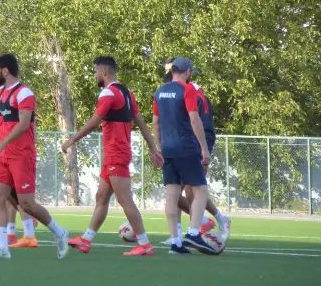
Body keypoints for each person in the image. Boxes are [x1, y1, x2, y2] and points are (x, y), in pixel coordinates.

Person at [0, 54, 68, 260]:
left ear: (4, 71)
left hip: (21, 155)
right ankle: (3, 247)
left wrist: (1, 143)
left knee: (26, 204)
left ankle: (59, 232)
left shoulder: (24, 93)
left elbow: (23, 124)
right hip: (1, 156)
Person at [61, 56, 162, 256]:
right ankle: (86, 240)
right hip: (114, 154)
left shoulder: (108, 93)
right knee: (101, 197)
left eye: (95, 72)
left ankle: (145, 244)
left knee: (125, 201)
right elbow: (141, 122)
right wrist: (153, 149)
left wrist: (72, 140)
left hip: (116, 153)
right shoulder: (126, 92)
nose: (95, 75)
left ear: (104, 72)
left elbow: (94, 121)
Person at [152, 57, 216, 254]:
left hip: (167, 149)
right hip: (186, 147)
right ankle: (194, 233)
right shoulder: (188, 90)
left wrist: (157, 148)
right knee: (200, 190)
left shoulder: (159, 92)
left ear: (172, 71)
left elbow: (155, 123)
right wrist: (204, 149)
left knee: (171, 195)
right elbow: (195, 119)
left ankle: (175, 243)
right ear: (188, 72)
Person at [180, 75, 231, 242]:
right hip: (186, 143)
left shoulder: (195, 95)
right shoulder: (180, 91)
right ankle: (201, 223)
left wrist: (204, 149)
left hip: (197, 143)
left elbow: (200, 124)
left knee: (191, 188)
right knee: (178, 191)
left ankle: (199, 226)